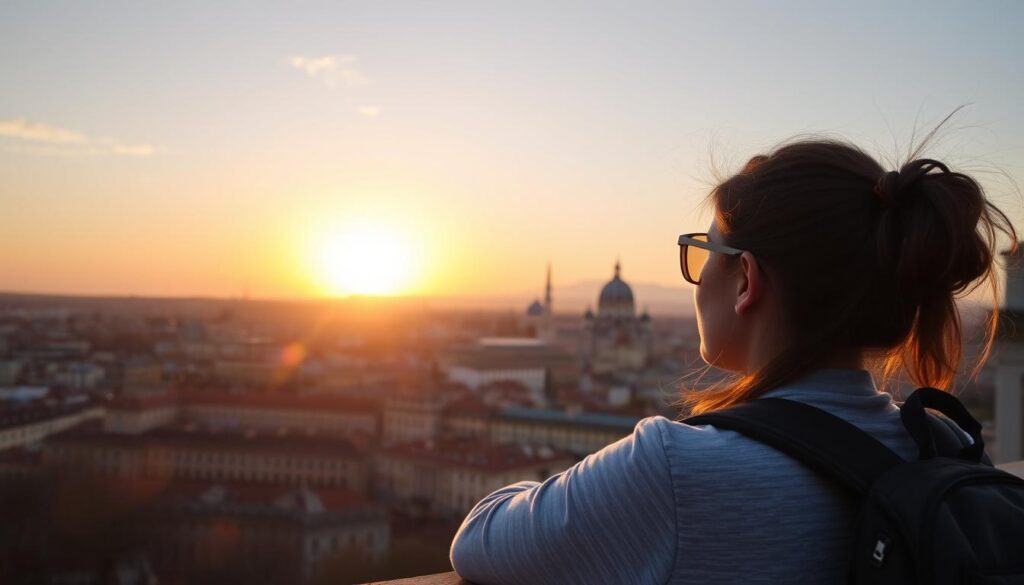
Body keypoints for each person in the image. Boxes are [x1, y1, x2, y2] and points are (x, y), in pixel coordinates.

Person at [448, 133, 1019, 584]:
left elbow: (478, 539)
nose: (697, 282)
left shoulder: (672, 469)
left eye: (704, 253)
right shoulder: (947, 447)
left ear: (746, 280)